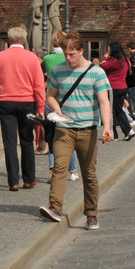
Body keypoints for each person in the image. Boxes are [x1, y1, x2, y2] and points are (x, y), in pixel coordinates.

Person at [39, 32, 113, 229]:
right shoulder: (58, 70)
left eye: (72, 54)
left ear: (81, 51)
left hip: (88, 129)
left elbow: (104, 102)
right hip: (64, 128)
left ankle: (91, 214)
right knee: (59, 168)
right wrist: (56, 108)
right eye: (65, 54)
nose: (68, 58)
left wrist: (107, 126)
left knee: (88, 173)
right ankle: (55, 207)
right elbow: (51, 96)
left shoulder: (97, 72)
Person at [0, 25, 46, 191]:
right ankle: (28, 179)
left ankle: (13, 181)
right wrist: (40, 107)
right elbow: (39, 86)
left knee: (10, 143)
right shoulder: (32, 58)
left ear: (9, 40)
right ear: (24, 40)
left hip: (5, 103)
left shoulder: (0, 57)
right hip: (27, 102)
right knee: (27, 141)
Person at [100, 44, 134, 139]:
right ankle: (128, 131)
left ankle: (113, 133)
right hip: (123, 86)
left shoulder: (115, 61)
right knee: (119, 110)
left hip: (113, 87)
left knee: (110, 111)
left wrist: (106, 55)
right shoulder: (126, 60)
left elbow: (102, 65)